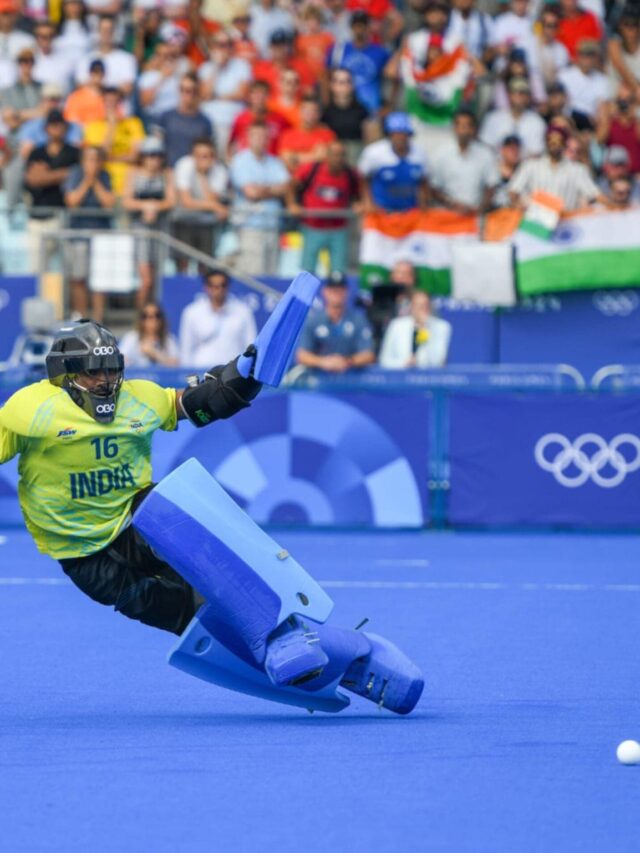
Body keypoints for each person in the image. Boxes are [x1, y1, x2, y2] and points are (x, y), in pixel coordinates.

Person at [0, 318, 262, 636]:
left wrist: (234, 386)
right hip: (80, 553)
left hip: (135, 519)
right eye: (92, 371)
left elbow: (197, 406)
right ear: (64, 375)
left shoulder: (139, 398)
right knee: (176, 611)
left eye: (111, 369)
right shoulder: (31, 410)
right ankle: (247, 643)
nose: (104, 381)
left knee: (182, 527)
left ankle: (267, 619)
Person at [287, 139, 360, 274]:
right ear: (327, 155)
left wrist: (357, 204)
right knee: (307, 271)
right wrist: (292, 204)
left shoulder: (350, 174)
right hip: (313, 227)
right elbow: (291, 185)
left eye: (341, 155)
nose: (338, 158)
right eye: (334, 154)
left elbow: (358, 194)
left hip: (338, 229)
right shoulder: (311, 169)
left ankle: (335, 294)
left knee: (338, 271)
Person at [229, 121, 290, 276]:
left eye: (264, 136)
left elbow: (285, 187)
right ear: (248, 137)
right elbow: (251, 193)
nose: (260, 139)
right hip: (250, 226)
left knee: (272, 274)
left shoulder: (274, 162)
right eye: (256, 135)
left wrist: (261, 189)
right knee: (253, 274)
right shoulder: (240, 161)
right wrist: (272, 189)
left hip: (273, 225)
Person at [23, 108, 80, 272]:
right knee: (37, 268)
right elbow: (32, 179)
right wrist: (60, 174)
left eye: (60, 125)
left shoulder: (74, 152)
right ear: (46, 128)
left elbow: (74, 175)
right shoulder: (37, 152)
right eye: (53, 125)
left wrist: (46, 175)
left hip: (64, 215)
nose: (57, 129)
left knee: (68, 269)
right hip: (38, 216)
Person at [63, 145, 115, 322]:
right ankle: (82, 318)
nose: (93, 163)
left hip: (102, 235)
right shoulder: (75, 174)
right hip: (78, 235)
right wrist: (87, 180)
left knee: (100, 279)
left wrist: (95, 181)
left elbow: (108, 203)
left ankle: (98, 319)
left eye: (96, 159)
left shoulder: (105, 176)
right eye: (89, 159)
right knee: (78, 278)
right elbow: (72, 201)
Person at [122, 136, 176, 307]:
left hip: (160, 230)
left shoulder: (166, 174)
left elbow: (171, 200)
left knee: (159, 278)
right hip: (140, 232)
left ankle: (155, 316)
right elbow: (127, 201)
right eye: (151, 155)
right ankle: (140, 318)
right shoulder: (133, 173)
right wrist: (146, 206)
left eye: (159, 155)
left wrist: (155, 207)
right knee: (146, 280)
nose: (155, 160)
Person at [508, 123, 606, 210]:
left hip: (564, 223)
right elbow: (514, 190)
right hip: (536, 224)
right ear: (546, 142)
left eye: (558, 141)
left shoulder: (577, 170)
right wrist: (519, 205)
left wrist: (615, 207)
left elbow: (595, 194)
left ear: (564, 144)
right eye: (551, 140)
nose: (554, 144)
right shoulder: (530, 166)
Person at [295, 271, 375, 373]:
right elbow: (302, 355)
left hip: (351, 379)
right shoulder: (314, 320)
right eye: (333, 289)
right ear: (325, 291)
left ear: (347, 292)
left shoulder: (358, 319)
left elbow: (368, 354)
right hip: (318, 379)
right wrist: (323, 362)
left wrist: (347, 361)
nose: (337, 293)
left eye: (340, 289)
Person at [178, 268, 257, 367]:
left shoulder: (243, 312)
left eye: (222, 285)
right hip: (202, 371)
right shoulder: (192, 312)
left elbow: (250, 344)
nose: (219, 290)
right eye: (214, 286)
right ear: (206, 287)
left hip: (232, 373)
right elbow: (186, 348)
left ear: (228, 286)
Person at [173, 136, 229, 269]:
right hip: (184, 220)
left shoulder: (220, 171)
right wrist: (215, 206)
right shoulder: (184, 165)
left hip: (206, 223)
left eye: (207, 156)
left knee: (205, 263)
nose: (203, 159)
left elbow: (211, 199)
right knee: (182, 261)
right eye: (199, 155)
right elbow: (186, 202)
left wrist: (202, 175)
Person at [430, 108, 499, 214]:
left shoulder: (485, 154)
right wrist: (452, 205)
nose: (464, 131)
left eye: (468, 127)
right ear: (454, 128)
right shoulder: (441, 154)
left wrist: (482, 207)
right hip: (447, 213)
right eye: (461, 127)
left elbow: (492, 185)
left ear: (474, 129)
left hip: (475, 213)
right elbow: (433, 188)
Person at [358, 111, 429, 213]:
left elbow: (423, 182)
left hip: (411, 212)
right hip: (382, 212)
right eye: (395, 134)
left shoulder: (420, 154)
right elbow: (363, 178)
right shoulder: (374, 153)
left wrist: (423, 204)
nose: (399, 138)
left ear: (409, 135)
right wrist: (368, 202)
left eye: (403, 134)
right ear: (389, 134)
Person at [83, 86, 146, 198]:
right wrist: (111, 127)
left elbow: (136, 156)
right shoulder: (93, 126)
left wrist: (112, 157)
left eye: (115, 102)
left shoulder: (134, 123)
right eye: (107, 102)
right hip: (104, 184)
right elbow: (100, 156)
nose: (111, 106)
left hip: (127, 184)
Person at [325, 10, 391, 115]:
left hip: (371, 109)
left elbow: (393, 78)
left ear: (369, 28)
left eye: (363, 25)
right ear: (351, 27)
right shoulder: (338, 50)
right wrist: (327, 103)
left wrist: (388, 105)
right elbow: (326, 77)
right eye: (357, 26)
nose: (360, 29)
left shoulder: (381, 53)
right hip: (342, 108)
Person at [197, 29, 252, 156]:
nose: (223, 48)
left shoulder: (242, 65)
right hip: (210, 120)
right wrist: (216, 67)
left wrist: (217, 96)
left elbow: (242, 93)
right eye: (219, 45)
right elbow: (205, 93)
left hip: (233, 121)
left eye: (227, 44)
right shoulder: (206, 67)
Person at [379, 289, 452, 369]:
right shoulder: (397, 325)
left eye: (425, 305)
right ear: (411, 307)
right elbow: (384, 360)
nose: (422, 309)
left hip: (428, 378)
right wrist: (405, 363)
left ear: (430, 307)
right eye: (418, 305)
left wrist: (424, 329)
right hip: (400, 376)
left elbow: (436, 361)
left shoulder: (441, 327)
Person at [154, 72, 213, 168]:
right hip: (167, 171)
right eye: (183, 89)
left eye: (192, 90)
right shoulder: (166, 117)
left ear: (198, 92)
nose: (187, 94)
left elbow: (208, 155)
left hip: (193, 174)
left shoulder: (205, 122)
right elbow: (156, 147)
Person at [479, 77, 547, 157]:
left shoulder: (537, 122)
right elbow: (485, 147)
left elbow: (537, 152)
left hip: (526, 166)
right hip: (496, 164)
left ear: (528, 97)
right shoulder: (494, 118)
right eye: (516, 92)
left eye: (523, 93)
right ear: (509, 95)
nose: (519, 97)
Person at [558, 39, 611, 130]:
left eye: (591, 55)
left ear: (596, 58)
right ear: (578, 56)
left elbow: (602, 107)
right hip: (568, 119)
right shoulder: (564, 76)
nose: (587, 59)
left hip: (590, 123)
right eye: (584, 54)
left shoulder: (602, 80)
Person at [228, 79, 290, 157]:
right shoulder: (241, 118)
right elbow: (231, 143)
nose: (259, 97)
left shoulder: (279, 120)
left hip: (271, 162)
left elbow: (288, 142)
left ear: (269, 96)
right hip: (247, 161)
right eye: (256, 93)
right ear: (250, 96)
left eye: (263, 94)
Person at [277, 96, 337, 172]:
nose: (310, 114)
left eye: (314, 111)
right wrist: (315, 156)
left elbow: (333, 160)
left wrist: (297, 157)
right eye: (307, 111)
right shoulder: (287, 135)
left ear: (319, 114)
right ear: (300, 112)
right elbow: (286, 160)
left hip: (319, 178)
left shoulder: (328, 135)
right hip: (294, 177)